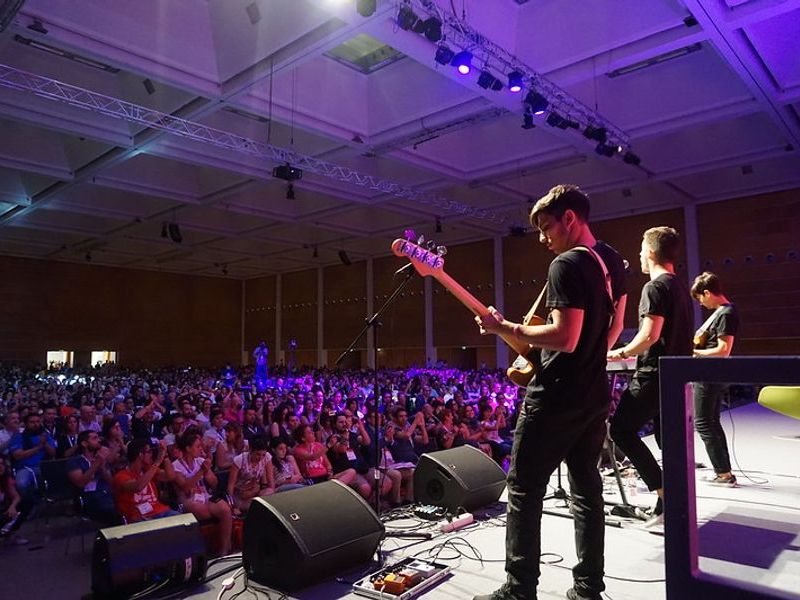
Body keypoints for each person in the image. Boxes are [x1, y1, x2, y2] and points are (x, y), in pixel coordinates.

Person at [473, 184, 623, 600]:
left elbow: (565, 335)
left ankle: (519, 590)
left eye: (545, 227)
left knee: (523, 489)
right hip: (594, 392)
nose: (542, 238)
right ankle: (588, 587)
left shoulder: (567, 264)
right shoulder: (611, 260)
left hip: (555, 395)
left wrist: (505, 328)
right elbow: (612, 331)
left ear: (569, 219)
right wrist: (588, 359)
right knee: (587, 490)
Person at [608, 226, 693, 525]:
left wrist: (619, 352)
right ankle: (668, 505)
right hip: (676, 375)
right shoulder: (680, 286)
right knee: (665, 436)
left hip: (654, 372)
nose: (639, 255)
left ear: (652, 252)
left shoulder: (654, 287)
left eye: (642, 249)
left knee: (620, 430)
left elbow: (649, 335)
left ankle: (664, 492)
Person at [690, 271, 739, 486]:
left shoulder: (726, 313)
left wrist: (694, 354)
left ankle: (723, 473)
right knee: (711, 422)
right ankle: (724, 471)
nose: (700, 303)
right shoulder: (722, 312)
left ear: (707, 293)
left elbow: (723, 349)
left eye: (700, 297)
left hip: (709, 375)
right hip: (709, 374)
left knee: (703, 423)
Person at [173, 431, 232, 556]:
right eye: (198, 446)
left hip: (205, 497)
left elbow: (214, 483)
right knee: (203, 511)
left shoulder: (200, 461)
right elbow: (185, 488)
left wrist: (207, 472)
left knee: (225, 510)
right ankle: (205, 551)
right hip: (188, 500)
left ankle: (224, 550)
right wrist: (201, 472)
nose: (201, 449)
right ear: (188, 448)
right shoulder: (176, 466)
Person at [113, 439, 179, 523]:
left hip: (160, 511)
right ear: (140, 455)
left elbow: (170, 476)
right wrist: (157, 461)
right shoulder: (121, 476)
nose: (151, 455)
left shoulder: (149, 469)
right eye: (149, 452)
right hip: (139, 516)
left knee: (181, 521)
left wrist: (165, 456)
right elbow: (138, 486)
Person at [66, 431, 118, 524]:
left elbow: (111, 482)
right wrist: (96, 464)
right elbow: (80, 483)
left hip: (107, 493)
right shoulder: (74, 461)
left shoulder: (101, 458)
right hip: (89, 497)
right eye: (94, 438)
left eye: (98, 437)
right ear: (84, 443)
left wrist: (102, 468)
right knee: (113, 511)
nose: (99, 440)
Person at [227, 436, 274, 513]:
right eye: (258, 454)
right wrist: (233, 506)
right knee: (258, 507)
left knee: (269, 492)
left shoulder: (267, 457)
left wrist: (272, 494)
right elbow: (231, 485)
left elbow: (270, 480)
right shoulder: (239, 460)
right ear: (250, 450)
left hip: (255, 492)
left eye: (263, 454)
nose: (261, 458)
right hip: (240, 494)